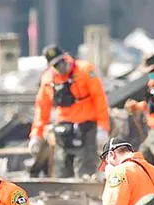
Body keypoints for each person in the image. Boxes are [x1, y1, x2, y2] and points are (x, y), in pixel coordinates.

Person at [28, 45, 110, 178]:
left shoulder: (84, 70)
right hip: (63, 131)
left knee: (85, 172)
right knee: (61, 171)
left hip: (86, 128)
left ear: (66, 58)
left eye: (62, 61)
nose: (61, 66)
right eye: (56, 64)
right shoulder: (48, 79)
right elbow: (42, 107)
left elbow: (99, 98)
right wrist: (36, 135)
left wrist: (103, 128)